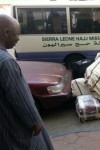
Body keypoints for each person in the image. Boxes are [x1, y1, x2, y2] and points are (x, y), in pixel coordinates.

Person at [0, 15, 54, 149]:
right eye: (17, 34)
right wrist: (34, 121)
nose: (18, 39)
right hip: (16, 130)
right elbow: (18, 96)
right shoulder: (6, 61)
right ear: (6, 33)